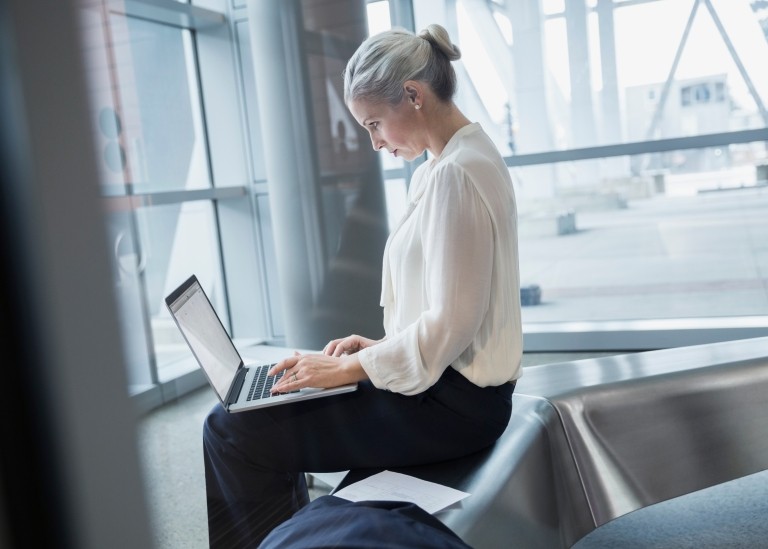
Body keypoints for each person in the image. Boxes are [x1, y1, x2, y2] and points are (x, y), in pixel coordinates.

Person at [202, 23, 523, 548]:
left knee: (232, 430)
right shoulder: (455, 160)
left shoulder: (456, 175)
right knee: (249, 418)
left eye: (375, 123)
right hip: (452, 392)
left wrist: (350, 369)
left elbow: (453, 323)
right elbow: (463, 316)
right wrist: (376, 350)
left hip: (453, 409)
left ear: (414, 96)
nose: (374, 142)